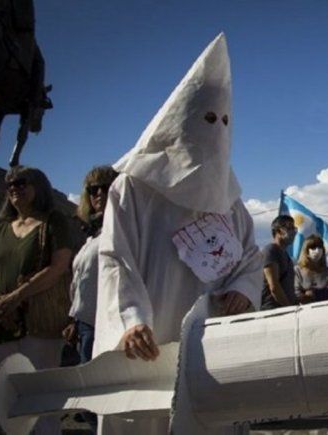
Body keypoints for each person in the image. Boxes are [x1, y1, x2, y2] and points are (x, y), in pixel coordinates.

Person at [93, 34, 263, 434]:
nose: (216, 129)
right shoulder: (134, 188)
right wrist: (131, 320)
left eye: (224, 121)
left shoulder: (231, 201)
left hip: (211, 341)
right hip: (149, 338)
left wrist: (244, 288)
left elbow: (251, 259)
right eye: (207, 119)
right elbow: (116, 258)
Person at [0, 166, 72, 435]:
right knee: (8, 401)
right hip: (1, 325)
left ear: (39, 186)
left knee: (42, 401)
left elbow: (59, 266)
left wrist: (16, 297)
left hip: (39, 324)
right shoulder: (0, 231)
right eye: (10, 185)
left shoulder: (53, 222)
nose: (14, 188)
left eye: (21, 183)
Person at [62, 165, 119, 365]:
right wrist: (74, 320)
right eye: (93, 189)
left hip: (106, 322)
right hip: (85, 323)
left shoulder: (122, 229)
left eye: (106, 187)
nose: (99, 193)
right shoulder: (92, 235)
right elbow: (82, 281)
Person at [261, 215, 298, 309]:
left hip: (285, 309)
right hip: (273, 310)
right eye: (289, 228)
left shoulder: (286, 255)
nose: (293, 232)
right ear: (278, 231)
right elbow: (274, 287)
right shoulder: (270, 251)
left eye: (294, 229)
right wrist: (289, 308)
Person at [295, 234, 328, 303]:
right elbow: (296, 293)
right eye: (313, 248)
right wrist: (305, 297)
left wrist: (315, 294)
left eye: (320, 247)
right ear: (306, 250)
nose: (317, 251)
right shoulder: (297, 270)